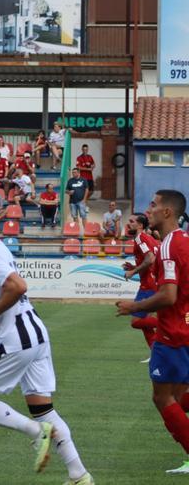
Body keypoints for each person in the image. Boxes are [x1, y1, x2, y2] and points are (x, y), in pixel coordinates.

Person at [0, 191, 92, 485]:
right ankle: (79, 475)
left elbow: (17, 287)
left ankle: (36, 434)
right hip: (34, 332)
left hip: (16, 337)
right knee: (42, 409)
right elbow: (2, 290)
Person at [116, 190, 189, 474]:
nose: (150, 209)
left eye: (154, 204)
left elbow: (169, 295)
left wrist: (136, 305)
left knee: (162, 397)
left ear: (168, 212)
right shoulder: (183, 240)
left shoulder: (170, 244)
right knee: (178, 394)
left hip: (173, 333)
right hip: (183, 327)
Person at [122, 213, 160, 354]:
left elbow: (150, 259)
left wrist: (133, 271)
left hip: (148, 285)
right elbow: (153, 259)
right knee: (144, 323)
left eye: (132, 221)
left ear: (140, 225)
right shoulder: (149, 238)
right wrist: (134, 268)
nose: (129, 223)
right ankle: (156, 353)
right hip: (152, 283)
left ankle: (171, 323)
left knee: (136, 321)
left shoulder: (140, 238)